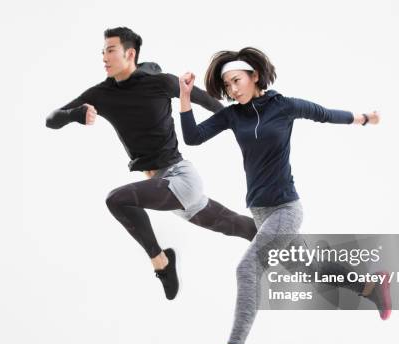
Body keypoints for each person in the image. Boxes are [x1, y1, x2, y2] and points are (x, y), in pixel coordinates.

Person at [178, 47, 390, 344]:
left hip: (286, 208)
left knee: (247, 268)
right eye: (227, 85)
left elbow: (324, 113)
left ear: (254, 76)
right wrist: (185, 97)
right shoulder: (234, 116)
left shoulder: (283, 106)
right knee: (306, 267)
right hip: (260, 212)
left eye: (237, 81)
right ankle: (369, 286)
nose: (233, 89)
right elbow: (193, 137)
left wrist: (362, 118)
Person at [46, 28, 257, 300]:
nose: (104, 58)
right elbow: (52, 119)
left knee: (117, 200)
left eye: (110, 50)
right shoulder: (100, 94)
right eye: (102, 52)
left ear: (130, 53)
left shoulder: (161, 83)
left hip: (180, 179)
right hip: (162, 187)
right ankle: (299, 257)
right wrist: (76, 114)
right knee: (242, 227)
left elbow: (211, 103)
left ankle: (162, 262)